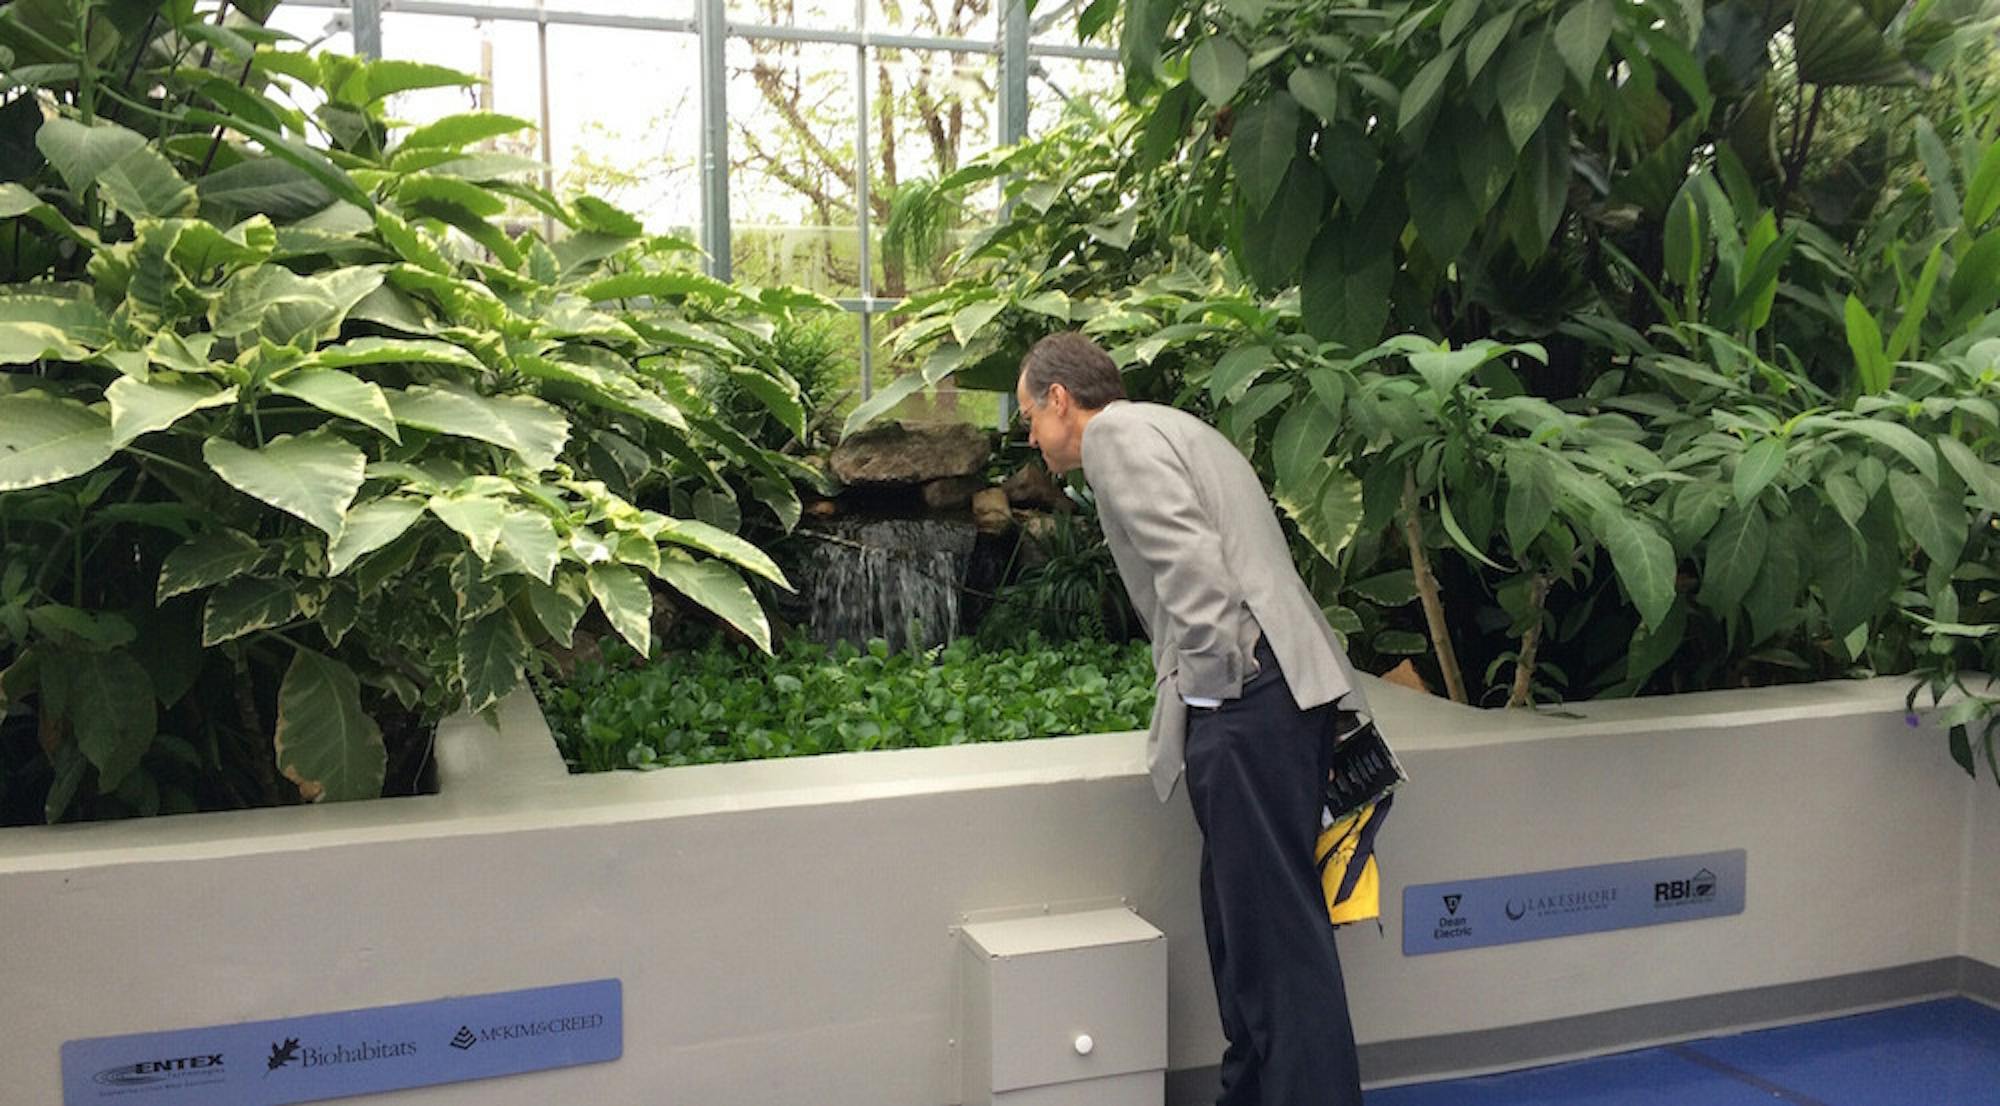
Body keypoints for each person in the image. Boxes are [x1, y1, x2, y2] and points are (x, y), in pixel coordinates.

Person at [1015, 331, 1368, 1106]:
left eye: (1027, 417)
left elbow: (1193, 575)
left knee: (1272, 937)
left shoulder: (1115, 438)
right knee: (1246, 925)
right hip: (1279, 694)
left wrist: (1214, 697)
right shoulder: (1171, 426)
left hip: (1248, 699)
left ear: (1060, 401)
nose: (1031, 439)